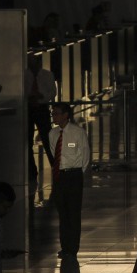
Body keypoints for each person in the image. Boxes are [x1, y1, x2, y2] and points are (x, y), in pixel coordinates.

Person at [49, 102, 90, 258]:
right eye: (53, 114)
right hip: (60, 176)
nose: (54, 116)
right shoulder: (52, 134)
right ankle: (64, 246)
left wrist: (78, 173)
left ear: (66, 115)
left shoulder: (78, 132)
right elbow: (54, 154)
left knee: (73, 212)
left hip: (74, 175)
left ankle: (72, 247)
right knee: (63, 213)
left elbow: (85, 156)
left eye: (56, 113)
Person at [25, 55, 57, 181]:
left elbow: (52, 92)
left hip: (42, 108)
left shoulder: (47, 75)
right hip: (28, 109)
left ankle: (55, 166)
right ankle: (31, 169)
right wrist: (30, 97)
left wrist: (41, 97)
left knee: (47, 138)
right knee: (28, 140)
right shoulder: (24, 75)